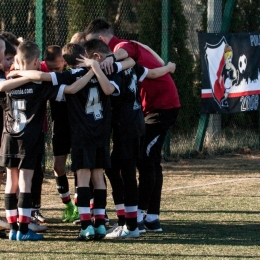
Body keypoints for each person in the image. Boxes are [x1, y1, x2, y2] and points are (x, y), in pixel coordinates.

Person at [7, 42, 135, 241]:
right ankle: (100, 225)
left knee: (83, 179)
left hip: (81, 136)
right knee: (99, 178)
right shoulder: (105, 70)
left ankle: (86, 226)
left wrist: (20, 74)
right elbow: (131, 61)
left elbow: (44, 76)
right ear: (86, 54)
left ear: (66, 63)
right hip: (101, 134)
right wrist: (100, 64)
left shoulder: (69, 76)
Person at [85, 18, 181, 233]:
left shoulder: (120, 48)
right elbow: (151, 71)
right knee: (136, 163)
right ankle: (145, 217)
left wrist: (110, 59)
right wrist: (167, 67)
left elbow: (124, 55)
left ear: (102, 41)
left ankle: (138, 218)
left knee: (145, 162)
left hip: (159, 109)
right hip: (144, 113)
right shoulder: (128, 62)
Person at [1, 40, 95, 241]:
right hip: (29, 139)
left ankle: (13, 229)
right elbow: (71, 89)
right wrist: (90, 73)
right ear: (37, 62)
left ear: (17, 60)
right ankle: (24, 230)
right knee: (25, 183)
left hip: (8, 138)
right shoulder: (41, 85)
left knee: (11, 183)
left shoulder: (7, 82)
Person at [40, 45, 79, 224]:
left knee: (82, 166)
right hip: (60, 127)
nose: (53, 71)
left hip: (80, 127)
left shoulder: (75, 74)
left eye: (57, 67)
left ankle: (83, 205)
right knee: (58, 166)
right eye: (50, 68)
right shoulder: (46, 77)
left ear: (64, 61)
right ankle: (68, 204)